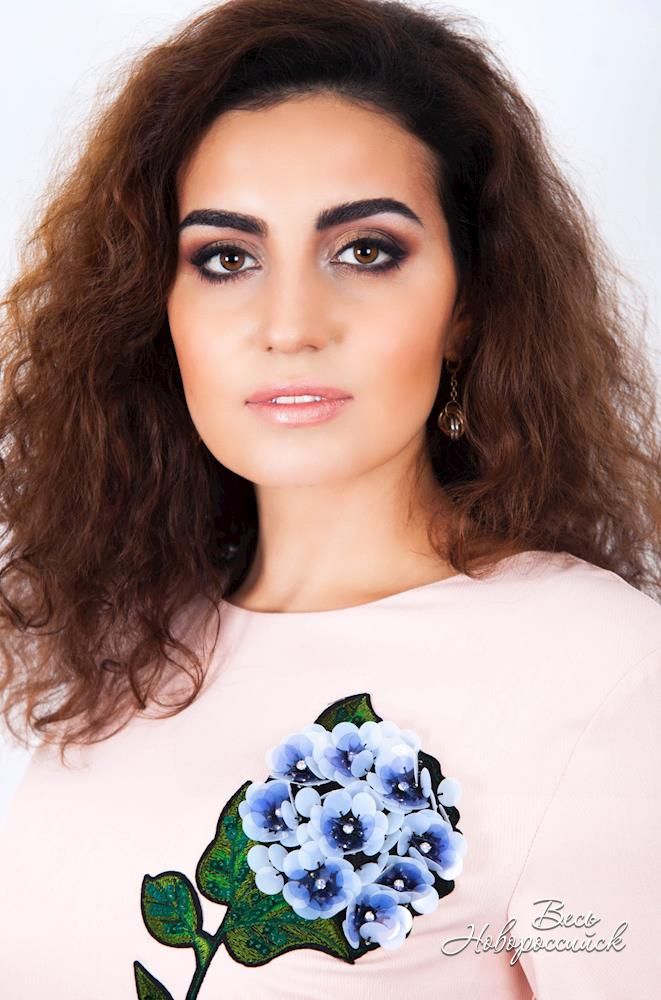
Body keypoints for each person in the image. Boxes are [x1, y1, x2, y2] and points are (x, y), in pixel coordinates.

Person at [0, 0, 659, 997]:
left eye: (364, 251)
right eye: (227, 258)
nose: (290, 324)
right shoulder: (120, 656)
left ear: (468, 304)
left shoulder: (600, 676)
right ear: (155, 307)